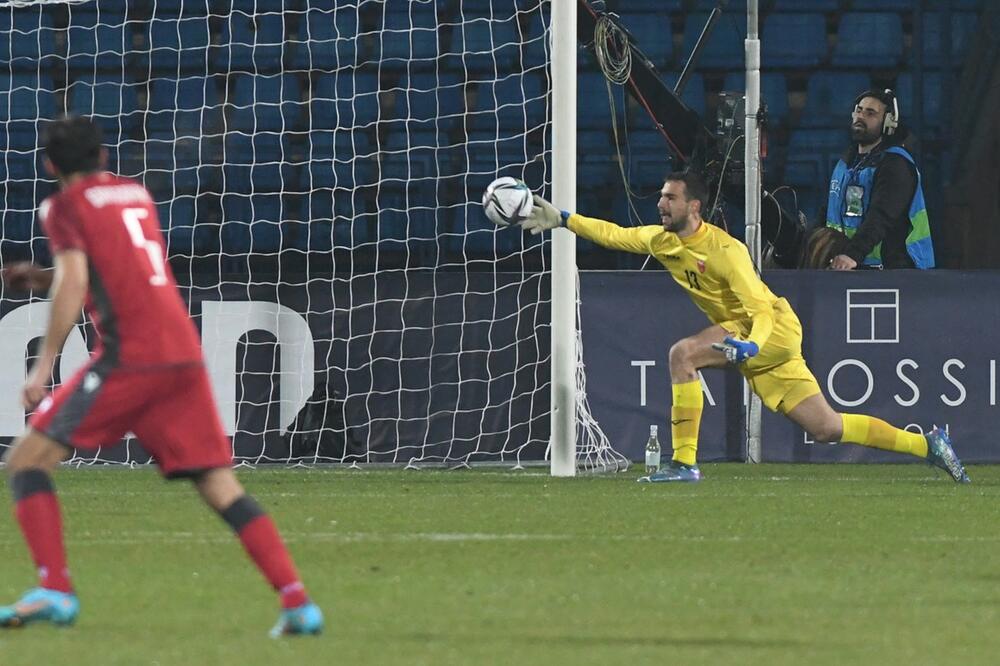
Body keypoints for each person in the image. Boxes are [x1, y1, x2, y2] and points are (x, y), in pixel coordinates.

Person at [0, 116, 323, 636]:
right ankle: (298, 603)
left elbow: (78, 279)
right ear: (103, 157)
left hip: (133, 356)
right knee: (219, 485)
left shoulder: (62, 207)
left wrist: (42, 365)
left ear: (50, 165)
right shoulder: (134, 196)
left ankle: (55, 590)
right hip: (182, 355)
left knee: (26, 461)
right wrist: (41, 277)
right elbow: (115, 265)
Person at [511, 171, 968, 483]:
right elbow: (613, 233)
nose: (660, 203)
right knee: (827, 427)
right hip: (752, 339)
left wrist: (751, 346)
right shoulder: (662, 240)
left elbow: (762, 311)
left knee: (682, 355)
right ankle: (927, 445)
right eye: (661, 196)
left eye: (670, 197)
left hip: (768, 331)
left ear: (694, 205)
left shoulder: (726, 251)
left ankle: (683, 463)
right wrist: (563, 220)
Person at [826, 88, 934, 270]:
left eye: (871, 113)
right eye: (859, 110)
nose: (861, 116)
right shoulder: (846, 163)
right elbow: (830, 212)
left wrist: (853, 254)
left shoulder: (896, 164)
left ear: (888, 123)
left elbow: (881, 216)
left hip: (894, 271)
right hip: (853, 267)